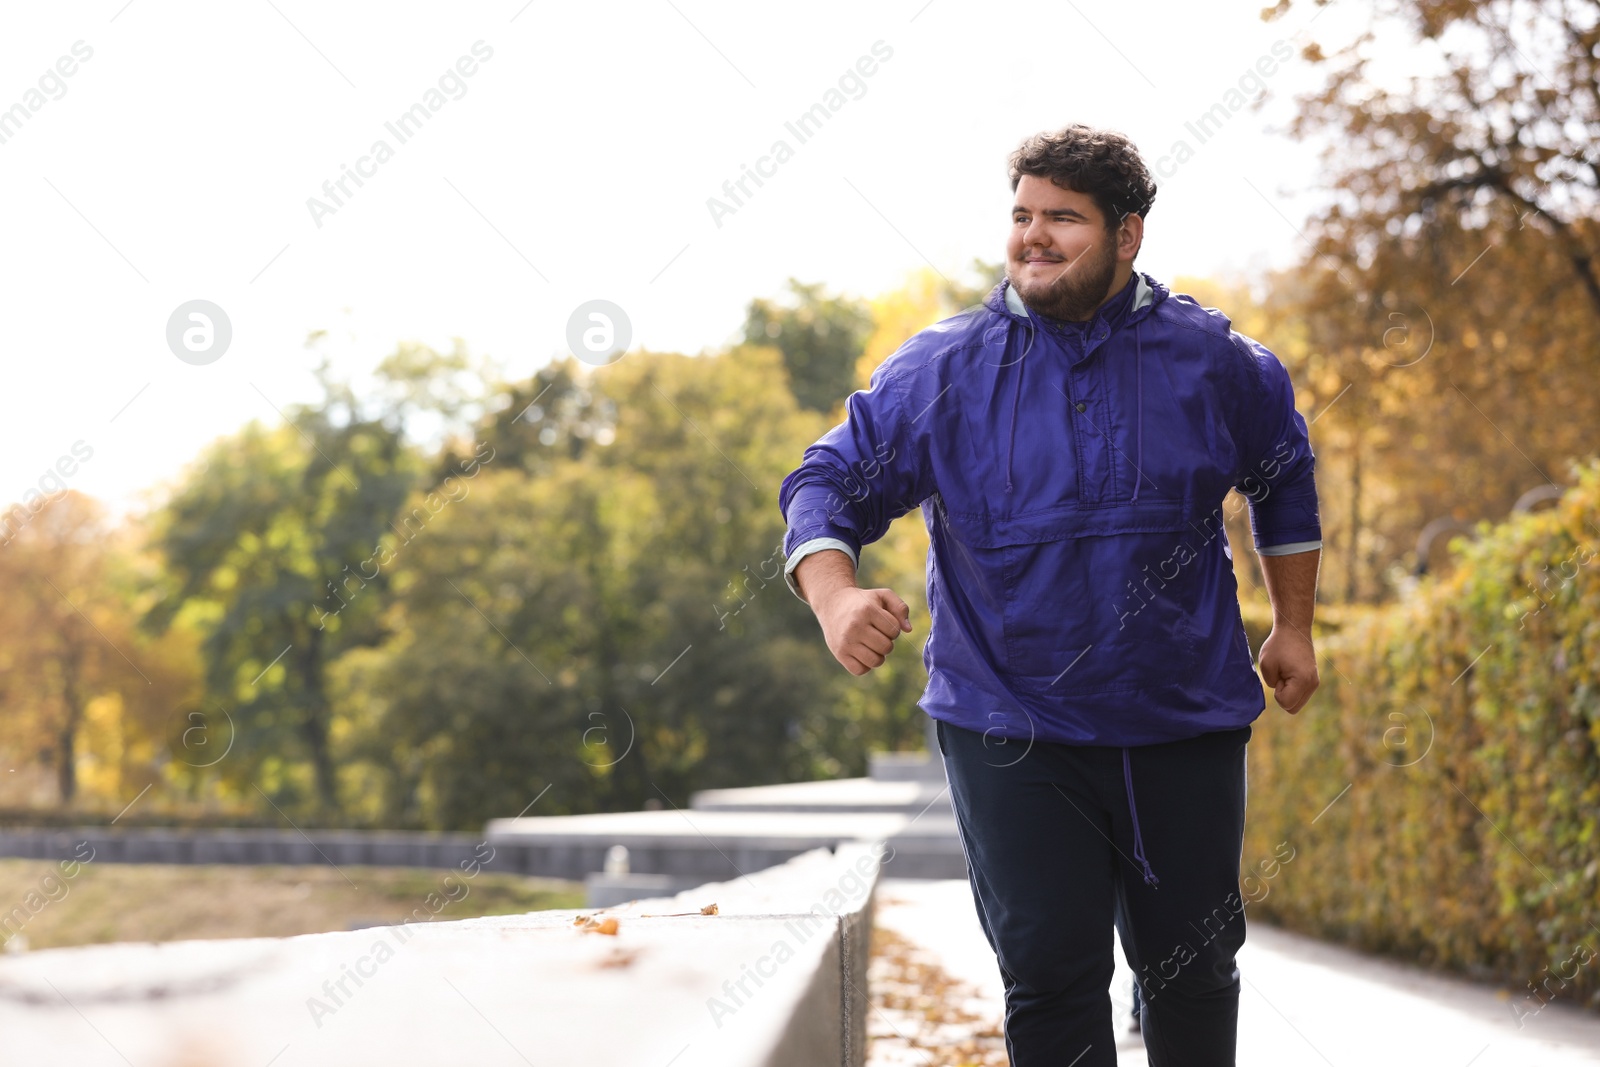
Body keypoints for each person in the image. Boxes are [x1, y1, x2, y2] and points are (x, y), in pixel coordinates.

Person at [776, 124, 1322, 1066]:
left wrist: (1297, 626)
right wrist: (832, 596)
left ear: (1128, 235)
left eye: (1063, 218)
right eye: (1023, 215)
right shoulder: (941, 371)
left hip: (1182, 719)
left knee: (1193, 974)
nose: (1034, 235)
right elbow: (826, 480)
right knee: (1052, 979)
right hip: (1009, 725)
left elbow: (1284, 472)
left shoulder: (1219, 362)